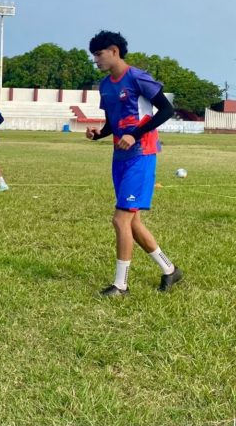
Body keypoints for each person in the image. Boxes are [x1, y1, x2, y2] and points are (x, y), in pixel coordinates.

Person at [86, 30, 182, 297]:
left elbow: (166, 110)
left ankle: (121, 285)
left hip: (142, 154)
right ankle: (170, 270)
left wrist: (135, 134)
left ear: (114, 51)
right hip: (120, 157)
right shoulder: (105, 86)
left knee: (120, 220)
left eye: (99, 54)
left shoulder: (137, 77)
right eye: (94, 55)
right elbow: (112, 124)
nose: (96, 60)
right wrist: (99, 134)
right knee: (133, 222)